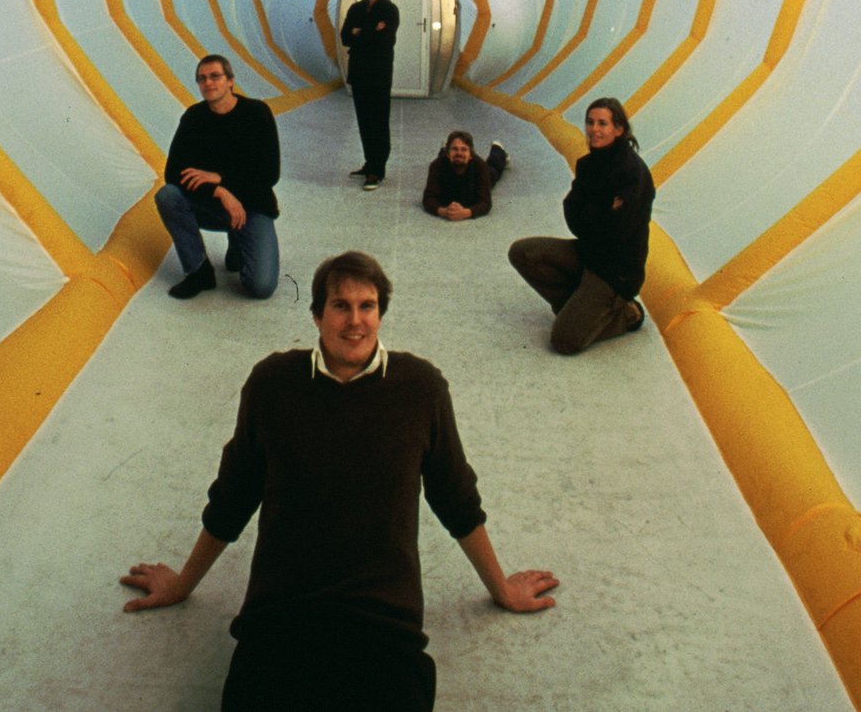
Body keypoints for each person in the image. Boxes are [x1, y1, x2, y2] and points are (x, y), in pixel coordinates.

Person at [120, 251, 557, 710]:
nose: (355, 320)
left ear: (380, 315)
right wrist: (183, 583)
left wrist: (502, 589)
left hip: (383, 625)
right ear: (316, 315)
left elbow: (456, 499)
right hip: (281, 621)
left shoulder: (420, 388)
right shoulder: (272, 384)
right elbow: (233, 496)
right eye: (340, 306)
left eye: (367, 306)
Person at [507, 97, 653, 354]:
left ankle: (627, 314)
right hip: (588, 254)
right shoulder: (587, 165)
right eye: (590, 122)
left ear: (619, 129)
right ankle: (578, 309)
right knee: (522, 252)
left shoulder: (633, 174)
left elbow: (618, 233)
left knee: (564, 341)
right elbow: (572, 213)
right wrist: (605, 209)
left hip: (616, 271)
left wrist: (592, 214)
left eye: (602, 124)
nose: (594, 130)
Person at [156, 55, 280, 299]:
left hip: (253, 206)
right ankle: (199, 271)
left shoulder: (256, 113)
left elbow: (269, 173)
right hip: (213, 204)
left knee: (261, 287)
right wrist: (219, 191)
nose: (208, 83)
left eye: (215, 76)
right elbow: (173, 172)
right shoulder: (194, 118)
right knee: (168, 196)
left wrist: (221, 178)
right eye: (202, 79)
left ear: (230, 81)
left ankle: (239, 243)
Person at [339, 0, 399, 188]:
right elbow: (345, 37)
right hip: (359, 73)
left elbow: (385, 41)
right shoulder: (356, 8)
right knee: (364, 121)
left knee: (379, 121)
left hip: (379, 75)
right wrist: (372, 30)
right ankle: (369, 162)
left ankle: (377, 169)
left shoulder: (390, 10)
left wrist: (359, 32)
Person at [420, 130, 493, 222]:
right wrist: (444, 212)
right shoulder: (436, 165)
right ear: (448, 153)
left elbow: (486, 203)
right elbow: (428, 199)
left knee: (493, 171)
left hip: (475, 175)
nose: (459, 153)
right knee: (442, 160)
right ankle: (444, 149)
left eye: (464, 149)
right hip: (446, 165)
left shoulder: (480, 166)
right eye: (455, 149)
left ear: (471, 155)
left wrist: (465, 213)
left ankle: (498, 149)